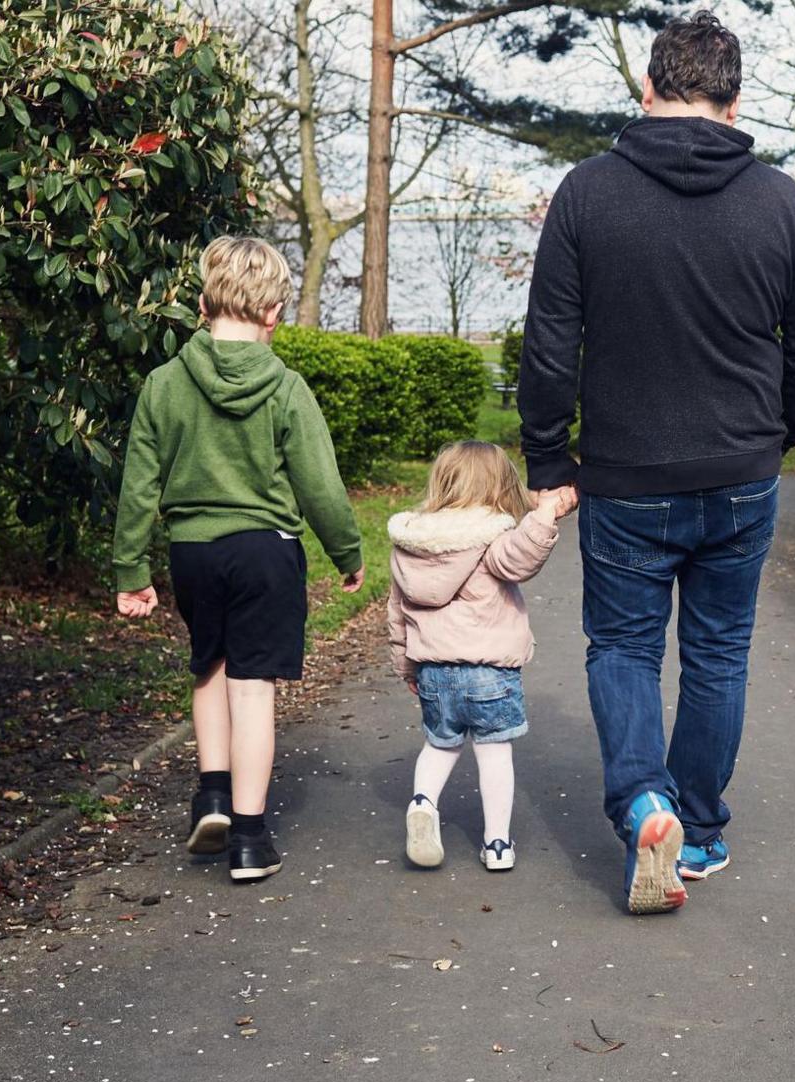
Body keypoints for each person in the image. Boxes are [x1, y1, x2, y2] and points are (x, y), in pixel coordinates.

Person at [517, 9, 795, 915]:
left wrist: (549, 457)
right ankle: (694, 826)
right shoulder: (780, 200)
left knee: (621, 645)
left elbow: (550, 346)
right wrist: (778, 433)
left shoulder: (586, 193)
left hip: (624, 476)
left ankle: (643, 800)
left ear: (648, 89)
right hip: (741, 473)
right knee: (719, 650)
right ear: (733, 103)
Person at [112, 235, 365, 884]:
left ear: (201, 303)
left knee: (209, 667)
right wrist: (347, 552)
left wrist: (131, 572)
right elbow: (320, 486)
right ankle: (249, 838)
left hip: (193, 552)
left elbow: (140, 482)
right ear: (275, 313)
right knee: (251, 688)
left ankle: (213, 793)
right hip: (264, 552)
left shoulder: (165, 385)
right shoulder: (286, 388)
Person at [388, 442, 576, 872]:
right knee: (494, 755)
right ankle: (496, 845)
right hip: (490, 671)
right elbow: (518, 559)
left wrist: (406, 666)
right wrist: (544, 514)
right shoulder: (490, 536)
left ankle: (422, 803)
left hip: (434, 671)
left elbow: (396, 612)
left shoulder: (412, 543)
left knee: (440, 745)